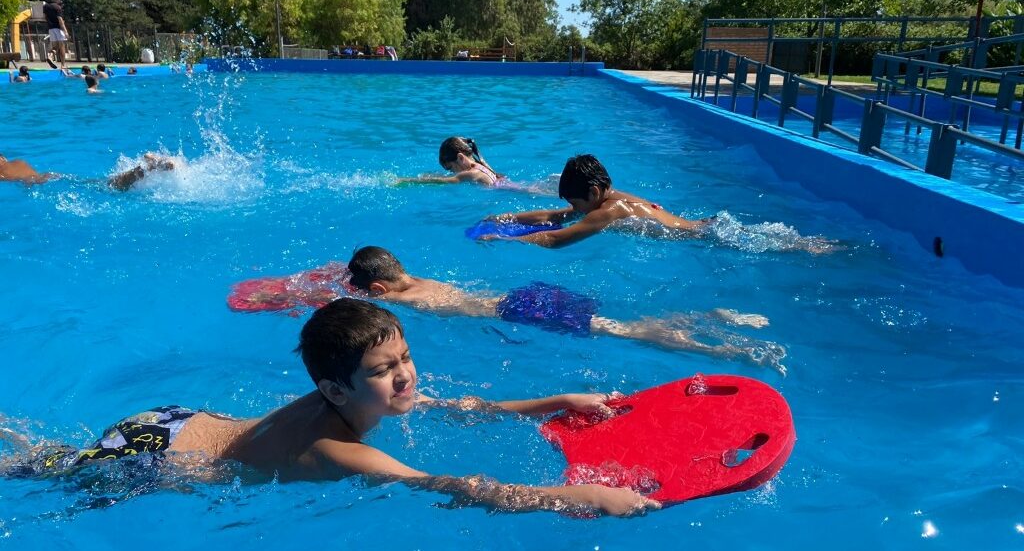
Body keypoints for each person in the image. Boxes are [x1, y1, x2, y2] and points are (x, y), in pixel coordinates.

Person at [2, 299, 660, 517]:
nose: (405, 378)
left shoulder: (360, 397)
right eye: (385, 370)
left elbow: (462, 404)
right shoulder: (337, 450)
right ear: (335, 392)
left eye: (404, 358)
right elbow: (455, 486)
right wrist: (580, 498)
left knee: (36, 459)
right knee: (30, 473)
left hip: (171, 416)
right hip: (157, 454)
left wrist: (557, 401)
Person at [231, 246, 787, 374]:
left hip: (523, 313)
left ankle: (728, 345)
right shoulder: (411, 278)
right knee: (625, 320)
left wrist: (281, 298)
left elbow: (335, 299)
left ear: (373, 290)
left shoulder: (385, 298)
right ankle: (715, 316)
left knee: (631, 333)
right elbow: (354, 270)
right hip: (527, 294)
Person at [481, 154, 835, 253]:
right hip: (706, 225)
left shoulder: (610, 211)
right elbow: (556, 215)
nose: (576, 209)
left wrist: (504, 241)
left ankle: (808, 247)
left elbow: (559, 238)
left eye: (578, 202)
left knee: (786, 247)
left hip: (704, 237)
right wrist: (506, 217)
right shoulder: (608, 198)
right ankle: (809, 245)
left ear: (592, 193)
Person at [0, 152, 174, 190]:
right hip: (52, 175)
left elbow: (14, 179)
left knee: (109, 188)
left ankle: (146, 168)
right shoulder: (17, 160)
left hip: (43, 182)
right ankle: (146, 167)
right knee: (97, 183)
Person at [396, 137, 509, 187]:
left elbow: (443, 181)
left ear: (460, 158)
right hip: (512, 187)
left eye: (451, 168)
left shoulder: (471, 173)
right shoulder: (481, 165)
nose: (453, 173)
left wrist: (407, 180)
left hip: (509, 192)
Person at [43, 0, 69, 69]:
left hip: (51, 29)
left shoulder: (46, 6)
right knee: (62, 47)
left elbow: (44, 17)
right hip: (59, 29)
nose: (60, 1)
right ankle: (63, 65)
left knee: (55, 46)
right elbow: (60, 20)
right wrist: (66, 32)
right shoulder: (57, 7)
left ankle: (50, 56)